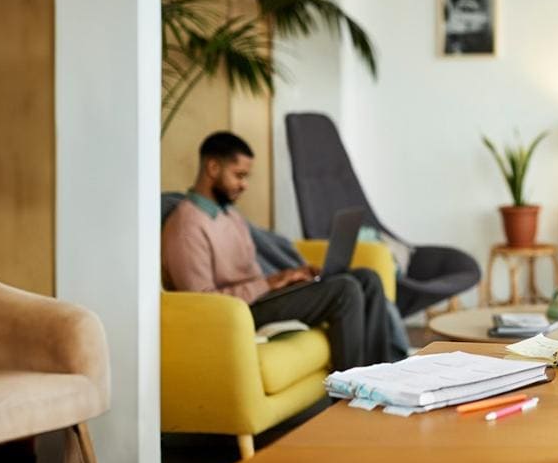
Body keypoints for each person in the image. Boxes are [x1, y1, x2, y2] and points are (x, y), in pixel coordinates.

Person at [163, 131, 402, 370]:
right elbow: (205, 303)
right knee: (345, 290)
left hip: (260, 299)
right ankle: (350, 395)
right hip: (239, 313)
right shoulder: (187, 225)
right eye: (239, 175)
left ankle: (380, 379)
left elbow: (251, 275)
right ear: (213, 167)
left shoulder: (231, 215)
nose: (244, 185)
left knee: (367, 279)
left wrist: (289, 280)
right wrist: (270, 283)